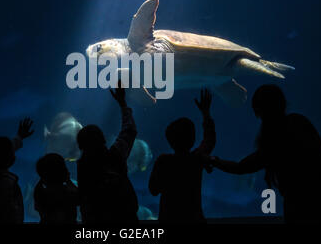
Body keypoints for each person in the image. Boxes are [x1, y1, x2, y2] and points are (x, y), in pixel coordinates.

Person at [210, 84, 321, 223]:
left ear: (258, 111)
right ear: (283, 103)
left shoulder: (274, 140)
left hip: (302, 206)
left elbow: (242, 167)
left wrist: (214, 160)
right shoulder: (299, 121)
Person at [148, 89, 216, 223]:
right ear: (193, 138)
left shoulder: (163, 161)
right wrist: (206, 114)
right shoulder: (196, 159)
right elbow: (210, 140)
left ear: (169, 140)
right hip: (193, 219)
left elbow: (153, 190)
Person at [76, 80, 138, 223]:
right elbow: (129, 130)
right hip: (125, 218)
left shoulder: (82, 166)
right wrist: (123, 104)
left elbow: (83, 196)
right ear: (103, 139)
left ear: (81, 146)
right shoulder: (116, 154)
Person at [0, 117, 34, 224]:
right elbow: (11, 213)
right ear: (12, 160)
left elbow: (3, 150)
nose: (14, 154)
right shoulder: (6, 183)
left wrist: (19, 137)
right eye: (12, 153)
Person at [34, 153, 79, 224]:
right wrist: (68, 180)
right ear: (63, 172)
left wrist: (43, 177)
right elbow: (79, 197)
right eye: (64, 167)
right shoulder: (66, 192)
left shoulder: (40, 191)